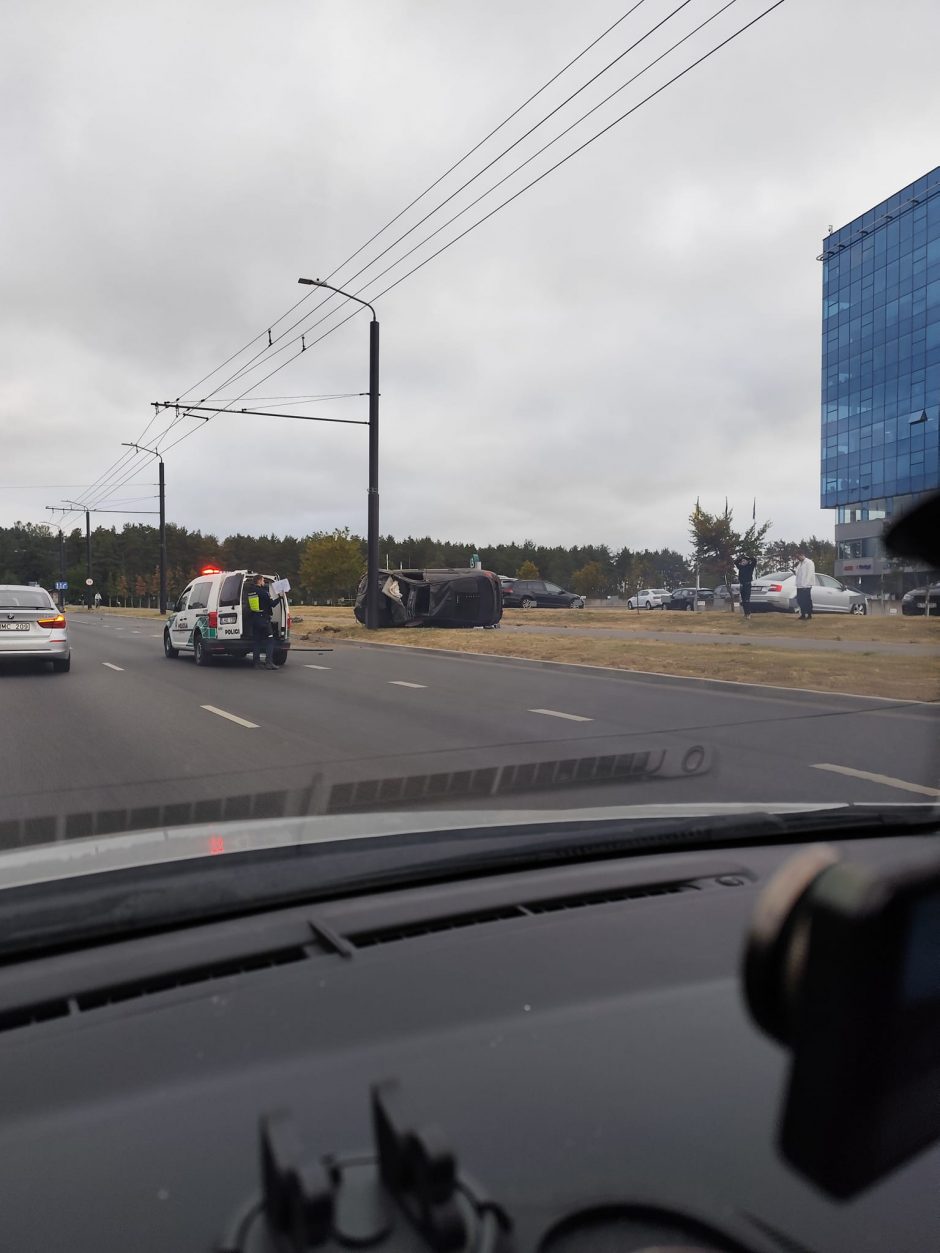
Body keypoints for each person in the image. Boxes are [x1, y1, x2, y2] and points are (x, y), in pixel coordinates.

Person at [247, 574, 280, 669]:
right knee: (270, 640)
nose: (264, 582)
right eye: (263, 580)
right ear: (259, 581)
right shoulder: (263, 592)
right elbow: (272, 604)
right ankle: (269, 662)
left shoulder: (251, 591)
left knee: (257, 641)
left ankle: (256, 663)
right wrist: (280, 597)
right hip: (263, 619)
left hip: (254, 618)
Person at [792, 550, 815, 620]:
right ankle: (803, 614)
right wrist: (794, 572)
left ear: (802, 555)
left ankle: (809, 614)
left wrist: (806, 584)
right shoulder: (800, 563)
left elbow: (809, 574)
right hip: (799, 585)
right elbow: (798, 573)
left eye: (798, 556)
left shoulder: (809, 562)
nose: (797, 558)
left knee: (806, 600)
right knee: (800, 600)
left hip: (806, 585)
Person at [735, 554, 756, 620]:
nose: (743, 562)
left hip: (747, 585)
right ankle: (745, 613)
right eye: (742, 561)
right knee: (743, 601)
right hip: (742, 585)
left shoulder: (750, 566)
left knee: (747, 600)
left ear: (747, 561)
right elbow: (735, 562)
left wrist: (748, 558)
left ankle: (748, 614)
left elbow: (754, 560)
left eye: (744, 561)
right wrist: (741, 558)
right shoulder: (740, 567)